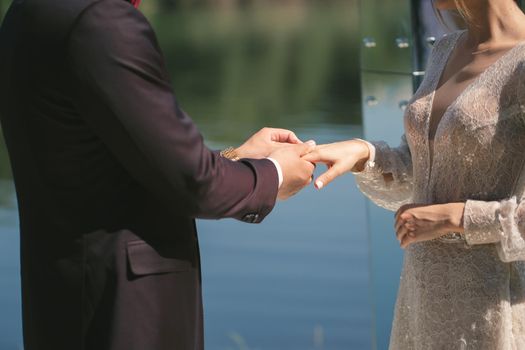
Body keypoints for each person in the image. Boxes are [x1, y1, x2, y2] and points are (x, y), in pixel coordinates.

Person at [0, 0, 316, 349]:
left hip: (61, 306)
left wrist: (235, 157)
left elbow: (109, 160)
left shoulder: (31, 9)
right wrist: (273, 175)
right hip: (126, 315)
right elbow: (195, 183)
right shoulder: (103, 20)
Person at [304, 0, 525, 348]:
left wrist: (458, 217)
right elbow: (426, 169)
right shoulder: (447, 49)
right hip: (422, 298)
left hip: (493, 303)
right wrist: (364, 154)